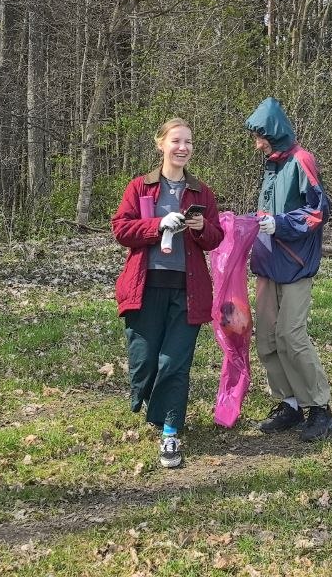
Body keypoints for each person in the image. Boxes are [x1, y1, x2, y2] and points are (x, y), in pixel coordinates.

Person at [112, 118, 224, 468]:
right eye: (176, 141)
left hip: (187, 289)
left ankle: (171, 433)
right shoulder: (139, 188)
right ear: (161, 144)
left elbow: (216, 238)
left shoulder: (201, 192)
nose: (183, 148)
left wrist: (202, 226)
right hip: (144, 288)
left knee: (175, 363)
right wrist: (157, 224)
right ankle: (149, 400)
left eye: (188, 142)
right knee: (144, 362)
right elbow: (121, 229)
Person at [244, 97, 332, 441]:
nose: (256, 144)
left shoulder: (301, 160)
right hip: (267, 265)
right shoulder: (271, 165)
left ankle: (320, 408)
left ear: (274, 132)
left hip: (296, 265)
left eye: (259, 137)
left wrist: (279, 224)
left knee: (291, 336)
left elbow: (317, 212)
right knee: (267, 338)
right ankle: (290, 404)